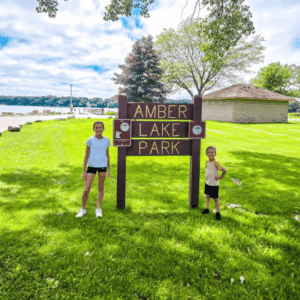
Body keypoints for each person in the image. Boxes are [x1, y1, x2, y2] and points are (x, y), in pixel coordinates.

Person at [76, 121, 111, 218]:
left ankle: (98, 209)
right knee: (86, 189)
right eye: (97, 127)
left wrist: (109, 169)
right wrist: (84, 171)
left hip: (102, 167)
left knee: (100, 188)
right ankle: (83, 209)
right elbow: (86, 156)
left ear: (103, 129)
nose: (99, 129)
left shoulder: (107, 141)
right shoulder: (90, 140)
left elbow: (107, 155)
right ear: (93, 129)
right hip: (91, 167)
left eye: (100, 127)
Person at [202, 146, 227, 221]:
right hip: (208, 183)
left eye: (212, 152)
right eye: (209, 152)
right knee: (207, 196)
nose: (210, 154)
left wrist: (220, 177)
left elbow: (224, 170)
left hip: (214, 184)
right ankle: (207, 209)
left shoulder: (216, 163)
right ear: (206, 154)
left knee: (216, 199)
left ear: (215, 154)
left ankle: (218, 213)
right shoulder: (207, 162)